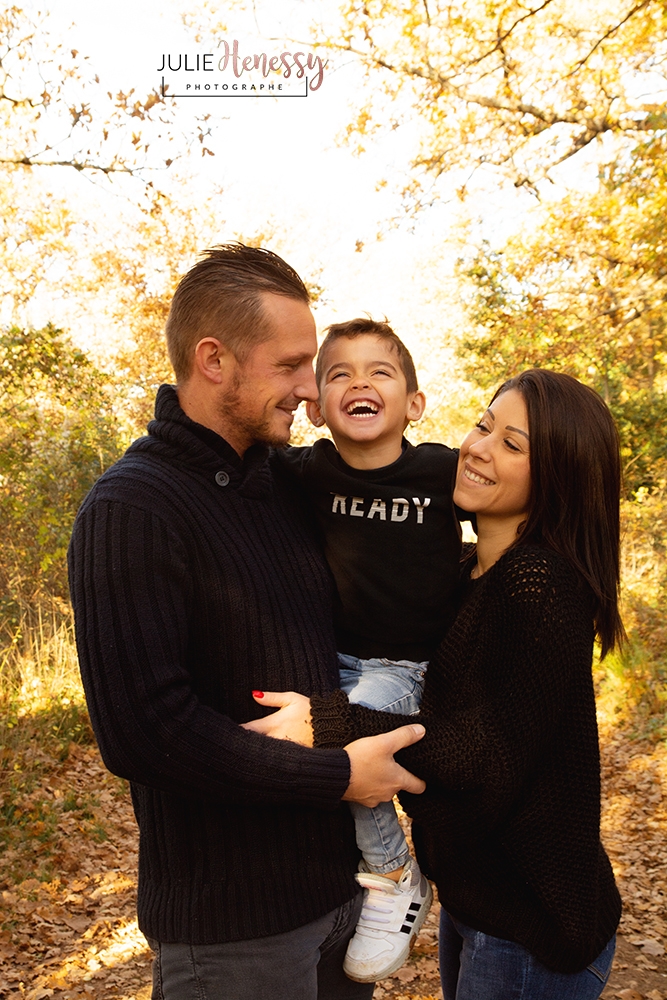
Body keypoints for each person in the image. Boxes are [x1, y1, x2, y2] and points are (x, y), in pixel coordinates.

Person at [67, 243, 428, 1000]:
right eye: (291, 366)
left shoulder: (286, 483)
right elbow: (145, 732)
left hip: (339, 898)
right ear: (213, 360)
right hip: (234, 931)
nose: (309, 388)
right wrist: (338, 775)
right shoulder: (133, 508)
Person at [245, 368, 624, 999]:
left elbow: (479, 751)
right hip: (476, 901)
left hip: (533, 924)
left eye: (513, 443)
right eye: (483, 424)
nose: (478, 447)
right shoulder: (468, 570)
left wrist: (330, 722)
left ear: (556, 474)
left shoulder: (540, 586)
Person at [276, 318, 461, 982]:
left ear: (412, 404)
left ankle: (392, 876)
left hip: (400, 667)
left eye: (379, 372)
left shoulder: (441, 470)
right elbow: (222, 455)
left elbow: (517, 495)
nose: (358, 382)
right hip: (327, 655)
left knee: (351, 742)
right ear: (317, 406)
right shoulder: (307, 470)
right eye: (338, 374)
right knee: (295, 734)